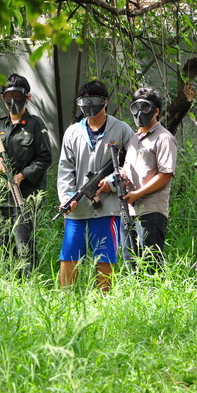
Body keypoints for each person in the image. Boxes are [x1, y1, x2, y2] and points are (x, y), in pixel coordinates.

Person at [57, 80, 134, 291]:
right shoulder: (73, 132)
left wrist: (112, 182)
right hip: (77, 208)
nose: (89, 105)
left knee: (105, 257)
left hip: (108, 208)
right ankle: (65, 299)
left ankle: (103, 302)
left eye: (94, 100)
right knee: (69, 256)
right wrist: (67, 197)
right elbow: (65, 169)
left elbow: (133, 161)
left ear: (106, 101)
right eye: (85, 100)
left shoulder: (121, 129)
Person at [0, 73, 53, 276]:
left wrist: (21, 176)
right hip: (2, 197)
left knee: (24, 245)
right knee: (3, 245)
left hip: (26, 197)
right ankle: (8, 283)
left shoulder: (35, 125)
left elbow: (45, 158)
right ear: (2, 98)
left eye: (17, 96)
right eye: (8, 96)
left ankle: (29, 283)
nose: (12, 101)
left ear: (27, 97)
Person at [121, 87, 177, 272]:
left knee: (151, 266)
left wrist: (137, 194)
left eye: (145, 108)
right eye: (135, 108)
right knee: (131, 265)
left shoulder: (164, 138)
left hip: (151, 210)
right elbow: (128, 168)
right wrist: (122, 175)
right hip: (129, 210)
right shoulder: (134, 138)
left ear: (156, 111)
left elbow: (165, 174)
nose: (139, 113)